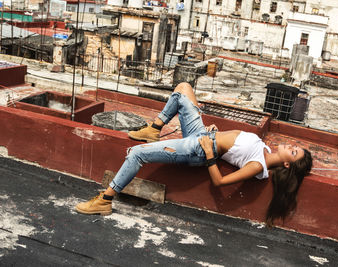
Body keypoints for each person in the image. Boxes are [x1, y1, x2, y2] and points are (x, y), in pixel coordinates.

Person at [75, 82, 313, 225]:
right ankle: (154, 129)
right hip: (203, 135)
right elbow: (233, 143)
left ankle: (104, 201)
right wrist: (216, 134)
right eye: (294, 146)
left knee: (137, 153)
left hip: (198, 149)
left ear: (287, 166)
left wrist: (210, 152)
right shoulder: (265, 149)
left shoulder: (259, 166)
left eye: (293, 152)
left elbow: (219, 182)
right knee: (183, 89)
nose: (290, 146)